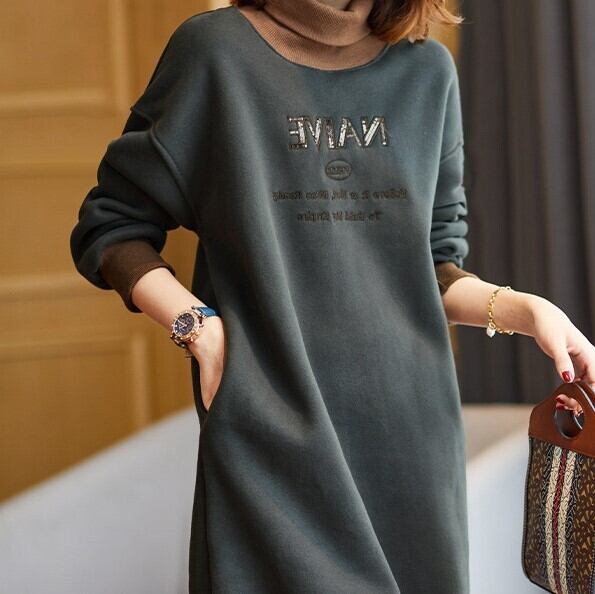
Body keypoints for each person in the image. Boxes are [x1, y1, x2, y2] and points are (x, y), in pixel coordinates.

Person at [69, 0, 595, 591]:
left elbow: (431, 266)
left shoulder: (426, 70)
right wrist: (199, 329)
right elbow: (111, 226)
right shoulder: (214, 52)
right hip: (268, 431)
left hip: (412, 448)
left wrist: (528, 311)